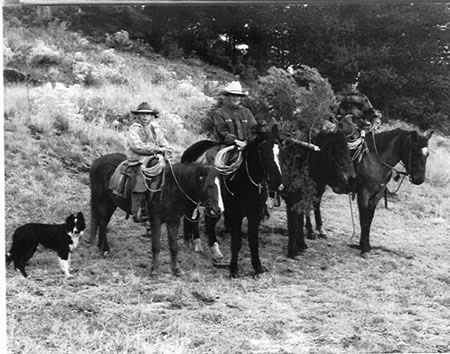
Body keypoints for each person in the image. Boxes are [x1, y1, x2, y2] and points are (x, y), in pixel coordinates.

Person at [127, 101, 170, 222]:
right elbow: (137, 146)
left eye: (148, 114)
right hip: (138, 158)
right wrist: (156, 149)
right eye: (142, 114)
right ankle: (137, 209)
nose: (145, 117)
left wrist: (166, 149)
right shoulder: (134, 128)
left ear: (151, 116)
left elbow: (163, 142)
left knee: (170, 170)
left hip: (155, 157)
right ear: (138, 116)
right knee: (141, 176)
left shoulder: (155, 128)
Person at [213, 81, 257, 147]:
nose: (235, 98)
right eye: (233, 95)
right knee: (223, 156)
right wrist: (234, 140)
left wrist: (249, 141)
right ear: (228, 96)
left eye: (238, 96)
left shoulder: (247, 112)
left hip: (246, 146)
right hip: (227, 146)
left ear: (240, 97)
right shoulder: (220, 112)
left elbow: (253, 128)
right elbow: (221, 130)